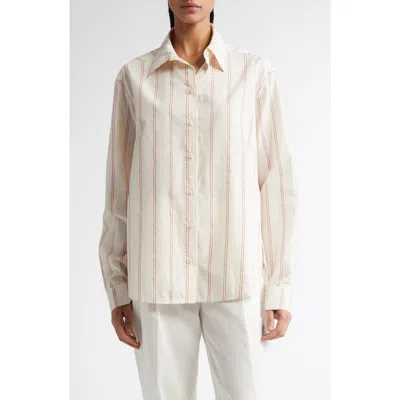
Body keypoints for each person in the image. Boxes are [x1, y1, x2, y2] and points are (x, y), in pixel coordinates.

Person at [98, 1, 298, 398]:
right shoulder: (134, 78)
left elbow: (275, 183)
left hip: (236, 275)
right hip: (158, 279)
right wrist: (117, 285)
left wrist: (279, 283)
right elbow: (119, 190)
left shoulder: (254, 74)